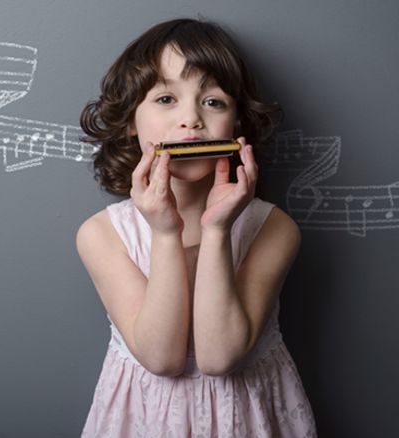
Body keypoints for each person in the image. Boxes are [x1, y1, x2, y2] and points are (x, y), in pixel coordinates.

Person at [76, 18, 317, 437]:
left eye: (214, 102)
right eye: (167, 98)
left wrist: (218, 229)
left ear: (238, 126)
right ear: (132, 122)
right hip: (147, 420)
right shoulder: (102, 235)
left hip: (245, 418)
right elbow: (162, 358)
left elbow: (220, 357)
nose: (191, 119)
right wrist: (166, 234)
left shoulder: (272, 228)